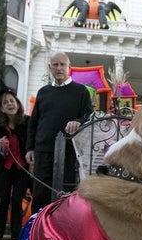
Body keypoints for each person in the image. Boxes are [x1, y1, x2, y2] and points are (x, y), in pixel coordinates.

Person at [25, 51, 93, 213]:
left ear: (69, 67)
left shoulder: (81, 91)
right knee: (40, 193)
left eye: (62, 64)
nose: (59, 68)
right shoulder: (43, 92)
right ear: (50, 67)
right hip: (43, 151)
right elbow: (33, 123)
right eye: (55, 64)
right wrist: (30, 148)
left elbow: (90, 116)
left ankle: (61, 235)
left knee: (66, 195)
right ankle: (38, 233)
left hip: (69, 152)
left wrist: (77, 122)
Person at [0, 86, 30, 240]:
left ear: (18, 104)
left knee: (16, 202)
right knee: (2, 201)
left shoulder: (26, 121)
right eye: (5, 102)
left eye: (12, 101)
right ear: (1, 108)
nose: (9, 104)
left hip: (21, 168)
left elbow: (30, 143)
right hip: (5, 168)